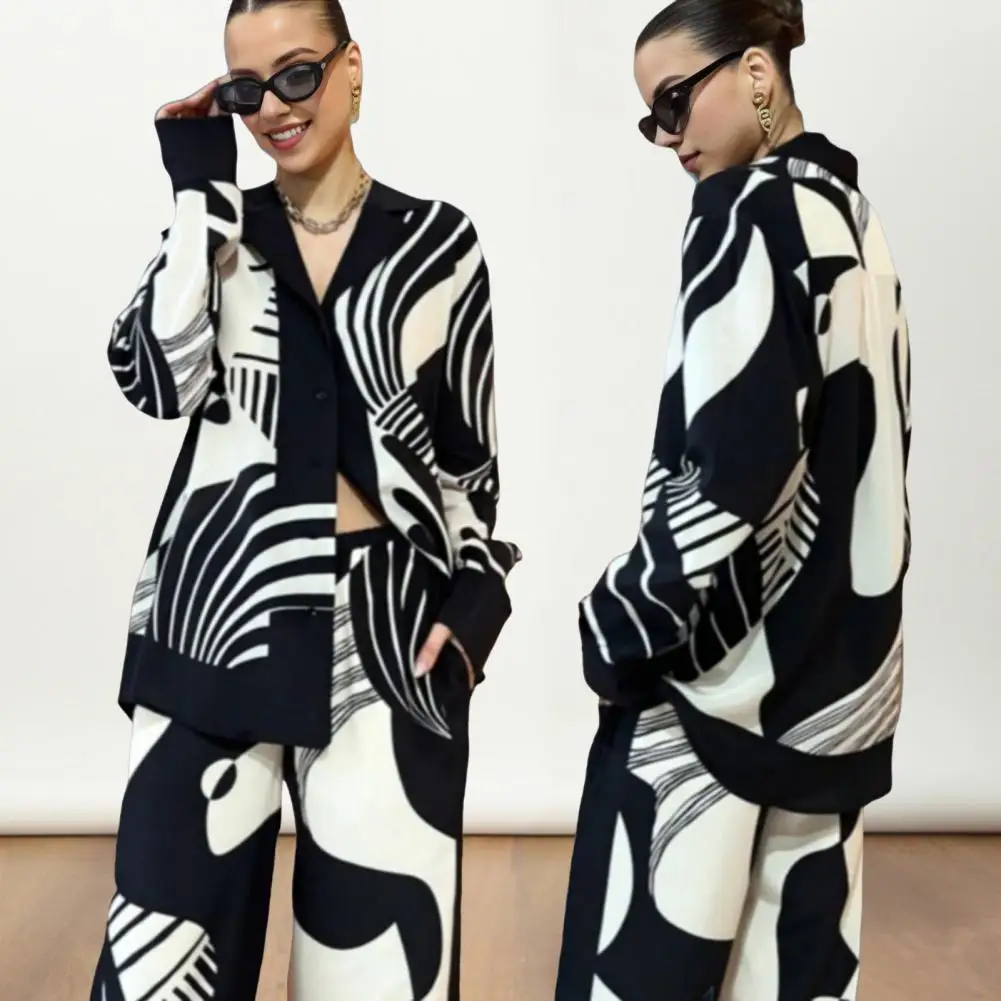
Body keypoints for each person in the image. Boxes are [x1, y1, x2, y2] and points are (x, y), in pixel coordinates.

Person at [88, 1, 521, 999]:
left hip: (386, 634)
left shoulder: (438, 245)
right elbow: (157, 377)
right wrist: (196, 189)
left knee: (377, 976)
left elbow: (468, 467)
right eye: (247, 90)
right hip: (216, 620)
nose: (275, 109)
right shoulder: (220, 231)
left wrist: (471, 610)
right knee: (163, 972)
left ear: (351, 67)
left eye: (297, 75)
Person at [555, 2, 910, 999]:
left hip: (715, 684)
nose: (669, 137)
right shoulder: (853, 219)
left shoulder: (746, 210)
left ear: (757, 72)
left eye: (676, 100)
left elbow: (732, 464)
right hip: (838, 692)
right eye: (652, 118)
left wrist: (619, 624)